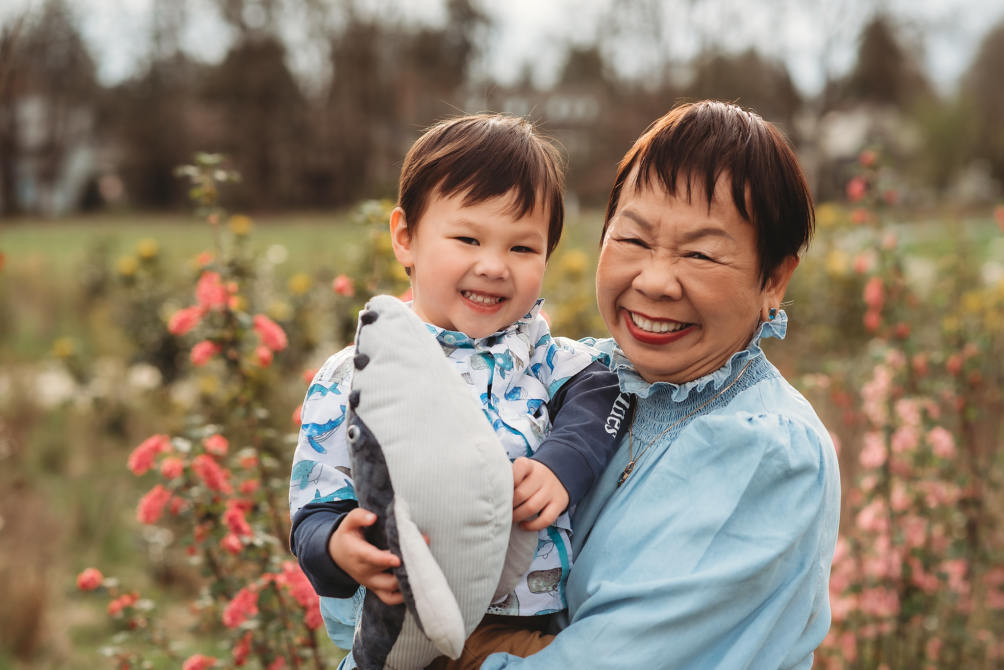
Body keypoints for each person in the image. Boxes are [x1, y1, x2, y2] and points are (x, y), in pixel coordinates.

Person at [481, 101, 841, 669]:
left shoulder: (766, 451)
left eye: (700, 253)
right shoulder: (564, 375)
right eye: (633, 241)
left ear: (774, 277)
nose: (653, 281)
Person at [286, 114, 628, 669]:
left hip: (513, 626)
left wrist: (562, 467)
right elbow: (313, 506)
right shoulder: (356, 373)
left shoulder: (544, 356)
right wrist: (337, 545)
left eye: (523, 248)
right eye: (468, 238)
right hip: (396, 633)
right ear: (406, 238)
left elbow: (607, 398)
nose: (493, 266)